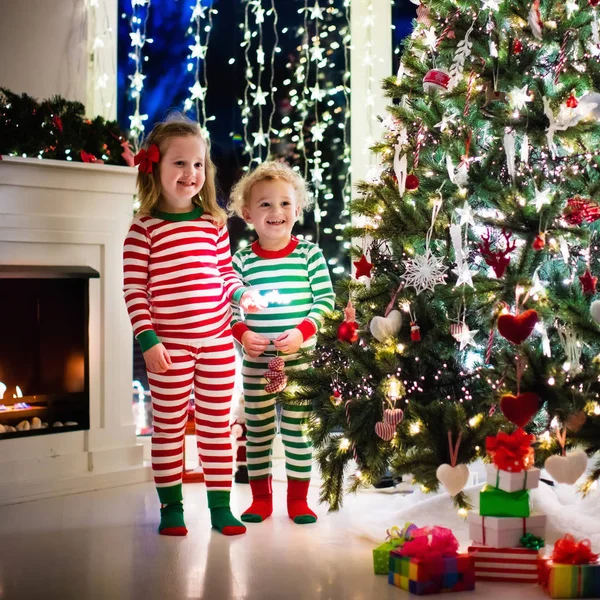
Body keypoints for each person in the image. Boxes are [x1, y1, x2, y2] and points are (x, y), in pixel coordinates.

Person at [123, 117, 263, 536]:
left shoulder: (213, 224)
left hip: (218, 344)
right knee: (168, 429)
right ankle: (171, 507)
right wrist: (148, 341)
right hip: (170, 349)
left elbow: (225, 277)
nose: (191, 173)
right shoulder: (143, 229)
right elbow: (134, 292)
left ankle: (221, 507)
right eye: (179, 163)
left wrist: (243, 296)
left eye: (198, 164)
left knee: (218, 428)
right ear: (155, 168)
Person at [228, 161, 335, 524]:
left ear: (298, 209)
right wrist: (243, 334)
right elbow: (229, 309)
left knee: (297, 434)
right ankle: (260, 499)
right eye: (265, 204)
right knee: (257, 433)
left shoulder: (310, 256)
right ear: (247, 214)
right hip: (257, 364)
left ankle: (298, 501)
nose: (277, 212)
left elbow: (325, 302)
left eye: (285, 203)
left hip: (299, 365)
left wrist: (303, 331)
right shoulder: (240, 262)